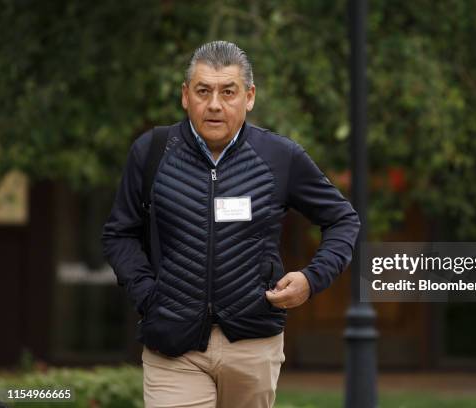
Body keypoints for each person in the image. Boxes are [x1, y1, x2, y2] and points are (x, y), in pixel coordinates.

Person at [101, 40, 360, 408]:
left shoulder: (280, 156)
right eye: (203, 91)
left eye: (228, 92)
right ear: (185, 95)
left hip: (253, 346)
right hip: (174, 346)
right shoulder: (152, 151)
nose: (215, 104)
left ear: (249, 97)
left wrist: (311, 279)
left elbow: (342, 220)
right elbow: (119, 233)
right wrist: (148, 295)